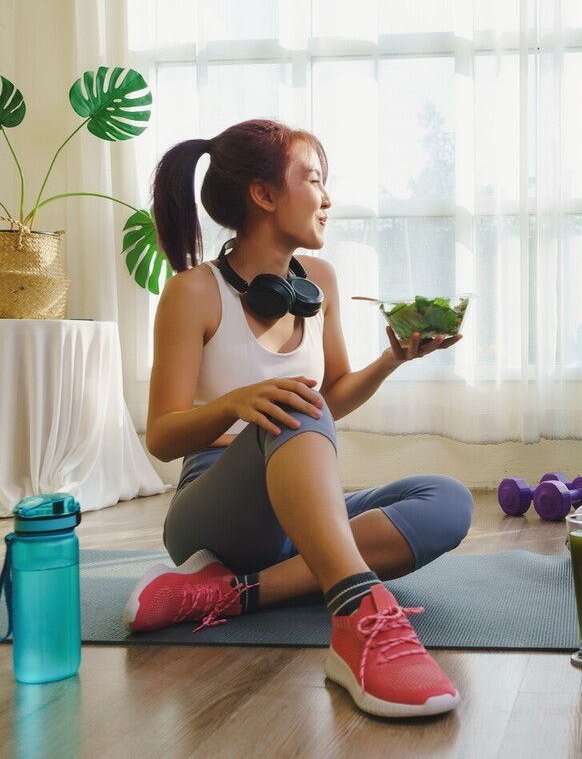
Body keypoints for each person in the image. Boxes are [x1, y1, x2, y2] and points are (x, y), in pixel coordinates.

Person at [122, 119, 473, 718]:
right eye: (314, 180)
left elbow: (331, 395)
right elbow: (159, 436)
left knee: (448, 500)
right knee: (295, 408)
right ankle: (357, 613)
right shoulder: (193, 292)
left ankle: (235, 595)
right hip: (214, 508)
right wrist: (234, 404)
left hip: (300, 503)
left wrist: (392, 358)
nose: (328, 198)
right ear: (263, 194)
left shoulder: (321, 282)